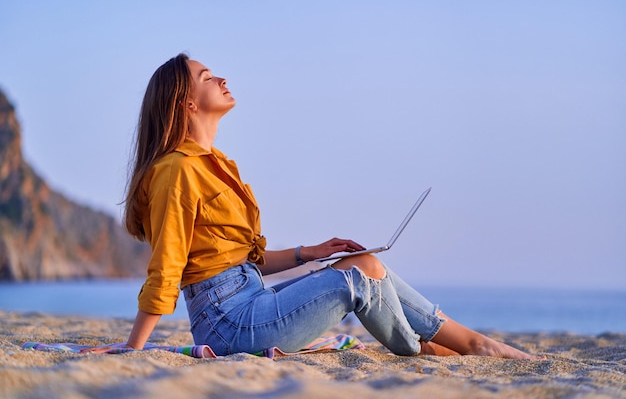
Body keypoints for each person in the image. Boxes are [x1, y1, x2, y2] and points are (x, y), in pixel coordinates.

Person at [92, 53, 541, 359]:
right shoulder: (175, 171)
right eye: (208, 77)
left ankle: (469, 341)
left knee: (361, 262)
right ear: (186, 102)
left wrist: (310, 252)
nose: (222, 79)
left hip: (252, 299)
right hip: (229, 325)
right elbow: (167, 269)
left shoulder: (215, 165)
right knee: (357, 279)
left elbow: (238, 260)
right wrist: (134, 349)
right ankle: (434, 347)